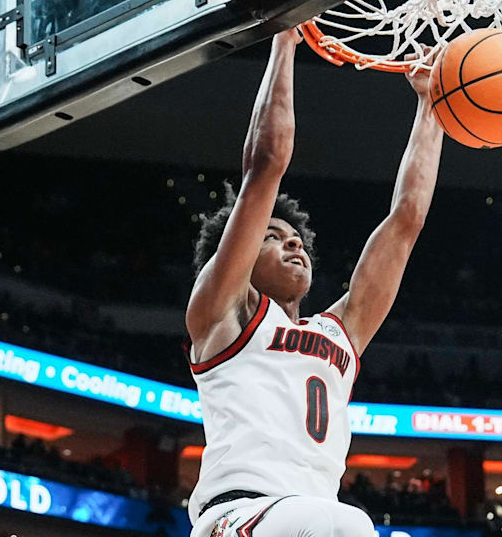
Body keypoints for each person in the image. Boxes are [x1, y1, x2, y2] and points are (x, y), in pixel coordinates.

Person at [185, 28, 444, 537]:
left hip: (311, 519)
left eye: (297, 238)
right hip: (236, 516)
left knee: (343, 522)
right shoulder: (221, 315)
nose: (294, 244)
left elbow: (407, 219)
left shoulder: (340, 332)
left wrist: (431, 106)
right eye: (272, 236)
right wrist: (284, 39)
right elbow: (266, 166)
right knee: (338, 521)